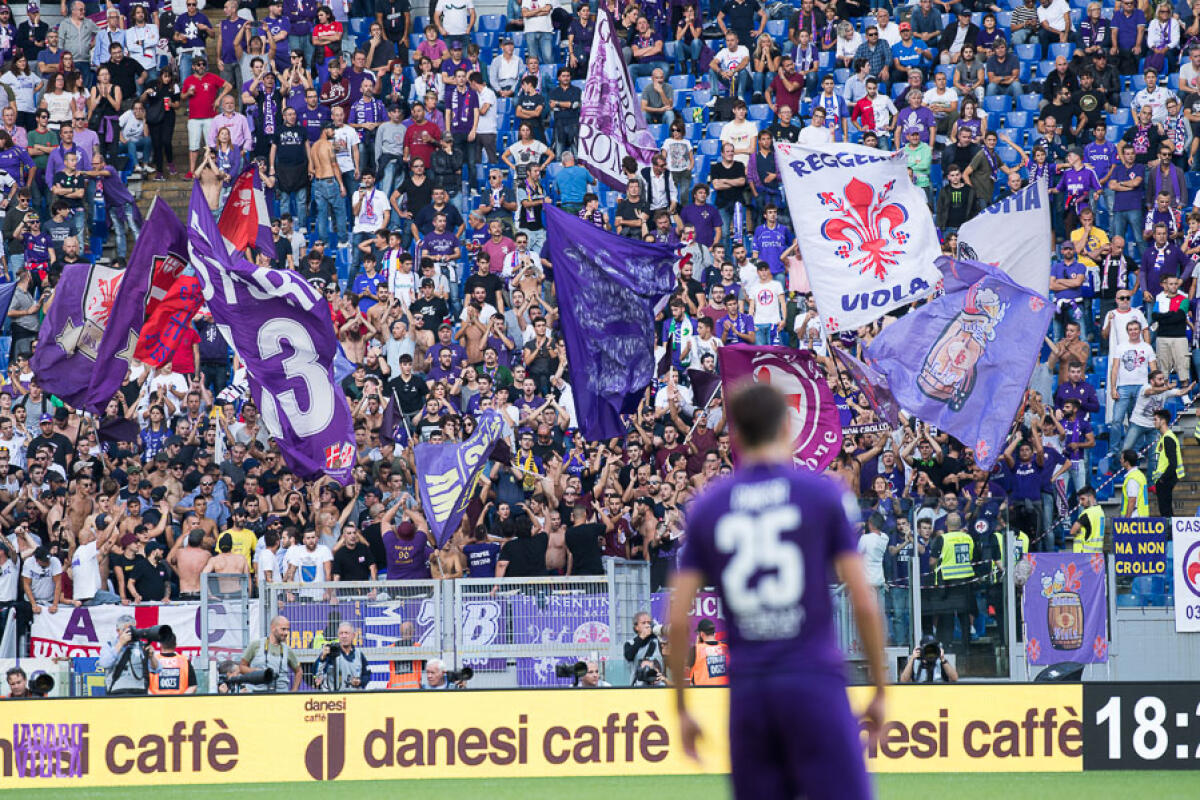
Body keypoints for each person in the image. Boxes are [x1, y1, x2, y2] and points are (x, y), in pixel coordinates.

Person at [667, 383, 885, 798]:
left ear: (736, 436)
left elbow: (678, 617)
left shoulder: (709, 507)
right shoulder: (821, 495)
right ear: (787, 425)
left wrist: (680, 707)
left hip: (750, 691)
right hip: (813, 679)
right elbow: (863, 599)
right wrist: (879, 689)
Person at [240, 614, 303, 692]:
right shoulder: (256, 645)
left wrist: (294, 691)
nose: (286, 633)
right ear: (273, 628)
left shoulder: (287, 650)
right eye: (283, 629)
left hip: (280, 695)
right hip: (256, 694)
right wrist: (255, 671)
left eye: (288, 629)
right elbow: (242, 667)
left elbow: (299, 671)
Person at [97, 616, 154, 695]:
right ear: (118, 631)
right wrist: (120, 644)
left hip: (139, 692)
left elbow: (156, 669)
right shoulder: (110, 646)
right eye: (126, 630)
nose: (130, 633)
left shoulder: (141, 646)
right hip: (116, 692)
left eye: (133, 630)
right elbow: (104, 663)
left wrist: (152, 657)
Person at [314, 621, 370, 691]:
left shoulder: (358, 654)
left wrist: (360, 681)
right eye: (341, 633)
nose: (344, 636)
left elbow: (367, 675)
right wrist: (322, 657)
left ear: (353, 635)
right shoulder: (331, 652)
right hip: (335, 698)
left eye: (346, 633)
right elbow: (316, 673)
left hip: (354, 696)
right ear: (338, 636)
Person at [1151, 408, 1185, 516]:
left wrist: (1162, 479)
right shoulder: (1164, 437)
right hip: (1164, 479)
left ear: (1163, 421)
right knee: (1165, 510)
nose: (1154, 422)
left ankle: (1170, 532)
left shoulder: (1168, 438)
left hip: (1166, 479)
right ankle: (1170, 532)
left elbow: (1173, 463)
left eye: (1155, 419)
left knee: (1166, 511)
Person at [148, 628, 198, 695]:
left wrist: (153, 699)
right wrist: (181, 700)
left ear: (160, 645)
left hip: (156, 702)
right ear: (175, 644)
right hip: (179, 703)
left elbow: (144, 687)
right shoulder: (185, 661)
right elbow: (193, 686)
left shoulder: (151, 660)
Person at [686, 618, 728, 685]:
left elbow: (686, 667)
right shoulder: (725, 648)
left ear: (701, 634)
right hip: (724, 691)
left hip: (703, 692)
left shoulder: (696, 649)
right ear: (714, 633)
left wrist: (697, 645)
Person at [1069, 485, 1105, 553]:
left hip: (1083, 554)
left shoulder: (1087, 514)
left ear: (1091, 497)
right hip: (1096, 556)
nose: (1080, 502)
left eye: (1083, 499)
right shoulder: (1101, 512)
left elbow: (1072, 531)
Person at [1120, 449, 1150, 517]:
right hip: (1141, 515)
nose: (1120, 460)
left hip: (1134, 517)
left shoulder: (1132, 478)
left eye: (1122, 459)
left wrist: (1127, 520)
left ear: (1127, 462)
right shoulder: (1139, 475)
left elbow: (1132, 500)